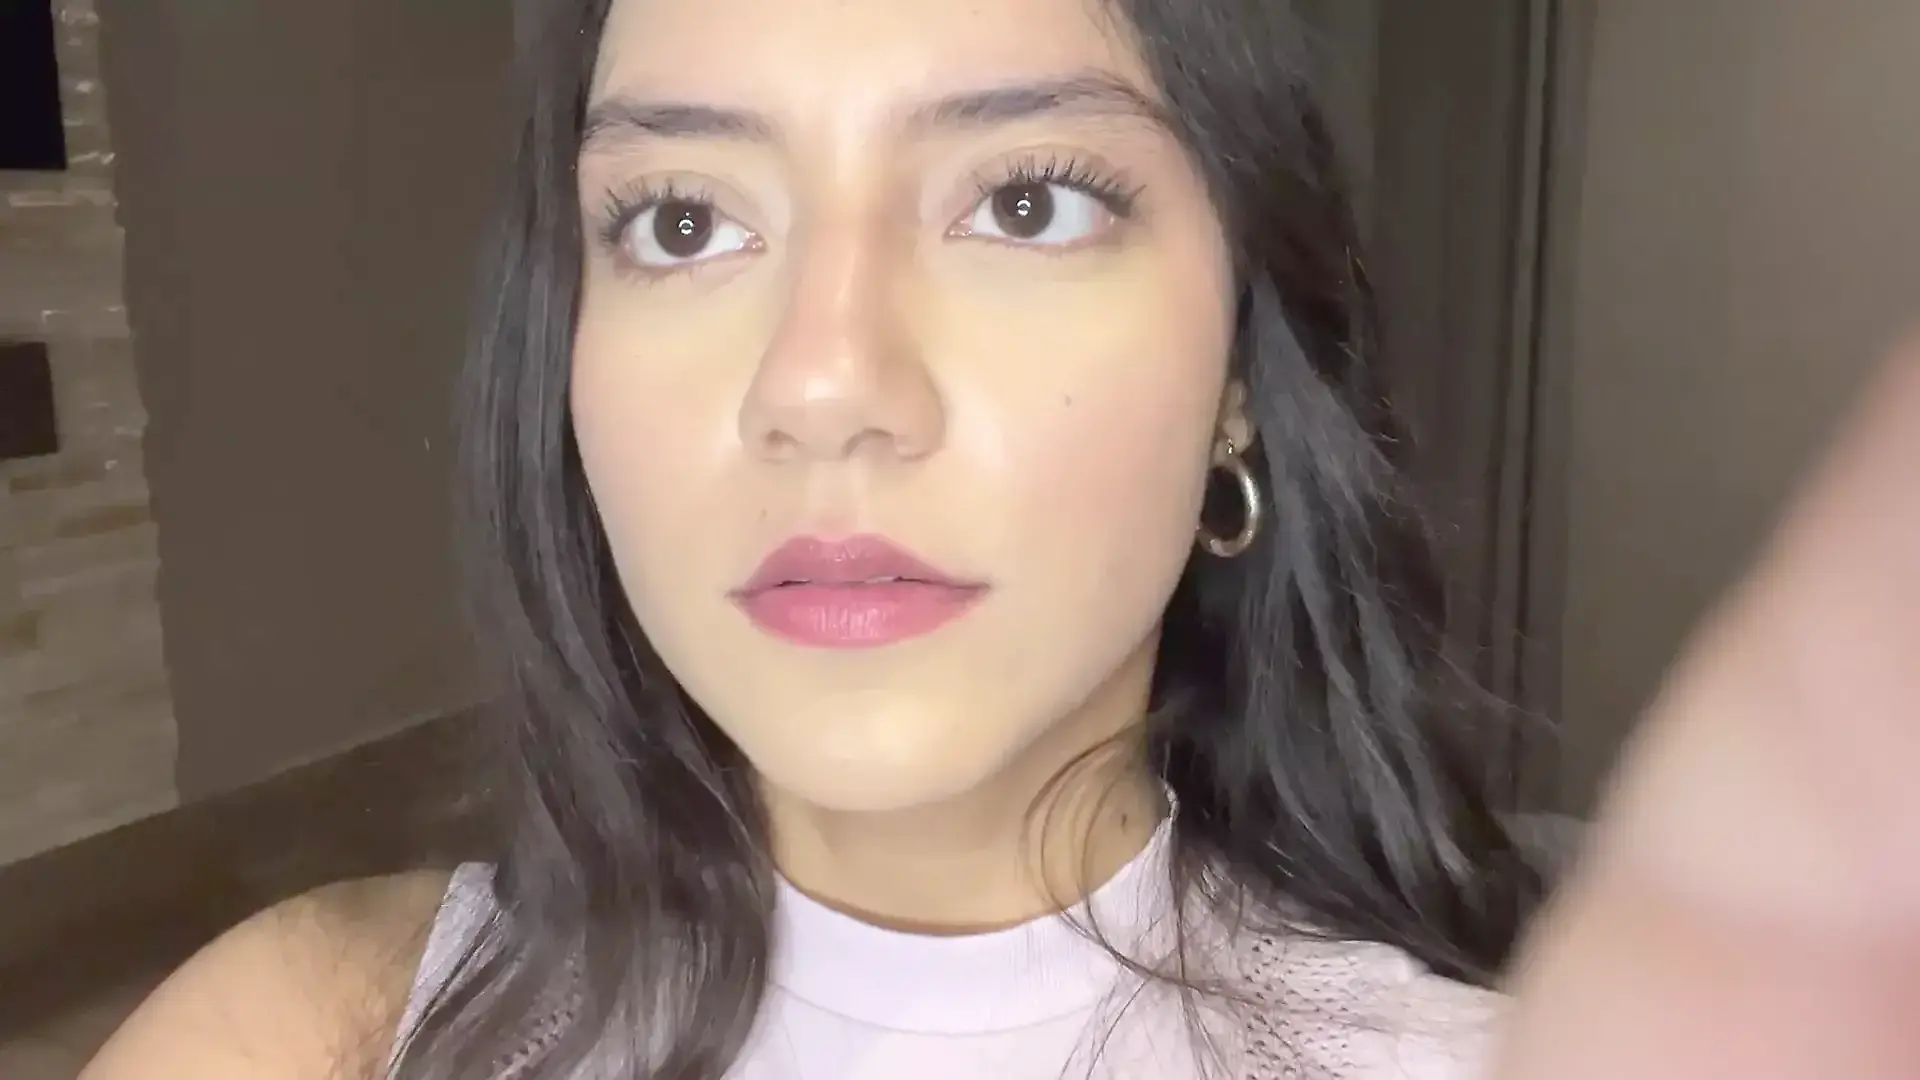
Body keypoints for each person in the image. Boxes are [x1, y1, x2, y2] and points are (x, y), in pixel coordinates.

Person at [80, 0, 1920, 1077]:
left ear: (1241, 377)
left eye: (1026, 201)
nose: (822, 384)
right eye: (684, 221)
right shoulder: (313, 1033)